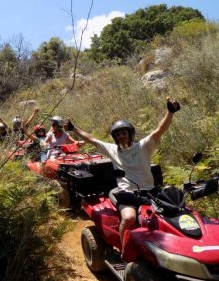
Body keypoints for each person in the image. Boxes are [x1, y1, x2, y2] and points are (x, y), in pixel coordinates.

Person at [66, 97, 180, 249]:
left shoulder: (143, 147)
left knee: (169, 217)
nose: (121, 136)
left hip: (151, 192)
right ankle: (125, 251)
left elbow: (159, 130)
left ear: (130, 133)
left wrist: (170, 112)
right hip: (128, 193)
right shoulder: (112, 150)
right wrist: (73, 129)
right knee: (129, 218)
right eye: (118, 134)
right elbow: (91, 139)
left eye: (123, 133)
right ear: (115, 138)